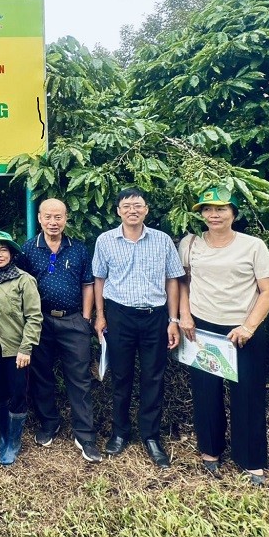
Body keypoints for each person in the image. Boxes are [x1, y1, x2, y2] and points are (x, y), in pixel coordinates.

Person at [178, 187, 269, 485]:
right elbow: (184, 282)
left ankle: (250, 459)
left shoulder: (252, 246)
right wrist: (185, 315)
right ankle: (211, 451)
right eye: (208, 209)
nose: (214, 214)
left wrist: (248, 327)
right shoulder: (191, 243)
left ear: (234, 213)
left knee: (247, 395)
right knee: (205, 392)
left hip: (241, 331)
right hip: (203, 328)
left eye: (221, 209)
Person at [92, 189, 185, 468]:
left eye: (138, 205)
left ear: (146, 210)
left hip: (155, 317)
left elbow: (173, 280)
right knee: (121, 376)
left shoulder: (162, 240)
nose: (132, 210)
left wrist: (173, 320)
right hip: (119, 316)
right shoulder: (106, 240)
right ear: (118, 211)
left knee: (153, 377)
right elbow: (99, 279)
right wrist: (100, 316)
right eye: (126, 206)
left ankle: (151, 436)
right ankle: (120, 432)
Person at [21, 198, 101, 463]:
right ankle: (49, 423)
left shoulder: (78, 249)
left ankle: (85, 434)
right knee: (42, 375)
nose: (53, 222)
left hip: (73, 321)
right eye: (48, 217)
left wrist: (86, 317)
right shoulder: (28, 249)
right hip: (40, 322)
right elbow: (20, 286)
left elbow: (88, 283)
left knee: (79, 378)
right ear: (40, 219)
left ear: (66, 218)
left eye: (58, 217)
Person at [0, 230, 42, 466]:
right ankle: (3, 435)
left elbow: (34, 317)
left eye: (3, 249)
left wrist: (26, 348)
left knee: (17, 394)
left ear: (12, 253)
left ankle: (14, 441)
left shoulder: (24, 280)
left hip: (16, 349)